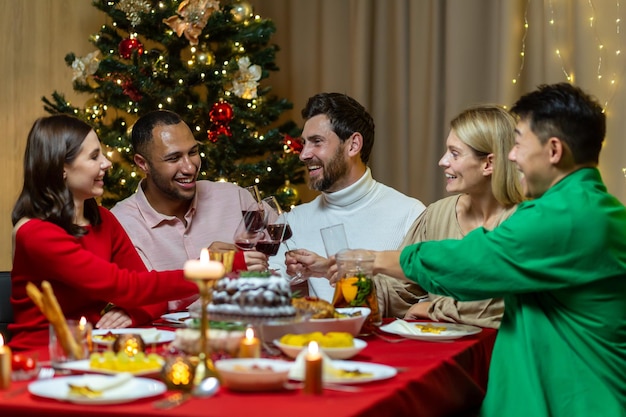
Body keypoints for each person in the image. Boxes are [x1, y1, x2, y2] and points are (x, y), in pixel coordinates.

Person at [372, 83, 626, 416]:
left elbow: (470, 263)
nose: (511, 154)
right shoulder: (600, 208)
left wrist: (369, 260)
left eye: (519, 142)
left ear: (553, 150)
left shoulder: (562, 216)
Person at [9, 115, 198, 351]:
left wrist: (132, 313)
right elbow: (125, 286)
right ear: (61, 169)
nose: (107, 163)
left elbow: (148, 293)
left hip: (92, 350)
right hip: (40, 358)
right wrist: (208, 273)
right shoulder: (34, 232)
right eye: (94, 156)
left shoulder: (103, 219)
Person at [272, 92, 426, 304]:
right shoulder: (294, 221)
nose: (303, 154)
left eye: (317, 142)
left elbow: (426, 295)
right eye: (304, 143)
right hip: (318, 336)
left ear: (353, 145)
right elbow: (264, 288)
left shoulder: (410, 215)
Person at [111, 110, 270, 312]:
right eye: (174, 158)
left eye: (193, 152)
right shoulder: (122, 223)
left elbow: (281, 258)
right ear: (143, 163)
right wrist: (206, 268)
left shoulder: (234, 197)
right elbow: (146, 300)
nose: (190, 168)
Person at [395, 104, 524, 326]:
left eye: (454, 153)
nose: (443, 161)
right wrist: (351, 282)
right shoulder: (436, 214)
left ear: (488, 163)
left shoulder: (524, 222)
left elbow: (495, 306)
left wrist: (433, 308)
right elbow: (403, 286)